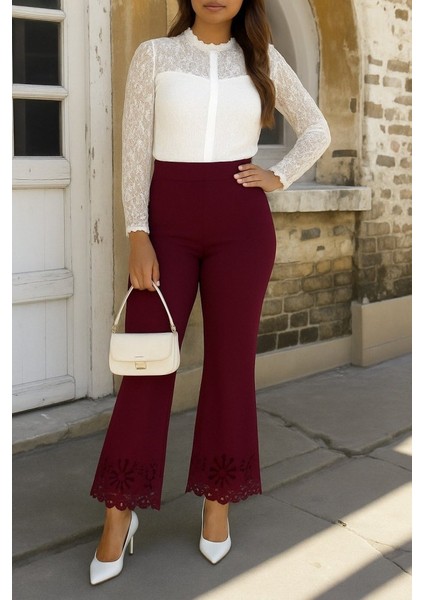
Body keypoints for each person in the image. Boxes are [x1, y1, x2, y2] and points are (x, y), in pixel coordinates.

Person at [89, 0, 331, 585]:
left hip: (241, 229)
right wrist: (137, 233)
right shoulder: (156, 56)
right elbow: (135, 150)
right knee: (148, 365)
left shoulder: (262, 58)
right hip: (166, 226)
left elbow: (317, 129)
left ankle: (217, 500)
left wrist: (279, 176)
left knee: (230, 366)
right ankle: (119, 512)